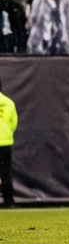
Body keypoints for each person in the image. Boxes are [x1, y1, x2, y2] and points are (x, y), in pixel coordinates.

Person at [0, 77, 12, 206]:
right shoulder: (8, 102)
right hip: (5, 141)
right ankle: (9, 200)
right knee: (5, 172)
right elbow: (13, 123)